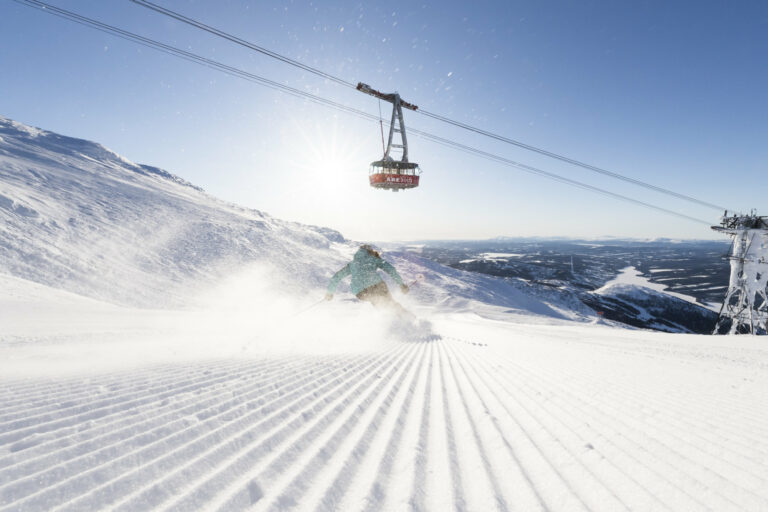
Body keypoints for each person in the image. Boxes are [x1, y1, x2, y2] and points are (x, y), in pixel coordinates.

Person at [325, 244, 411, 317]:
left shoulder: (352, 264)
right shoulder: (374, 259)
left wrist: (330, 293)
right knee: (390, 303)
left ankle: (390, 321)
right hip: (377, 286)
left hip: (360, 292)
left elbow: (337, 277)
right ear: (370, 251)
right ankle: (408, 318)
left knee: (380, 305)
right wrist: (401, 285)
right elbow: (391, 270)